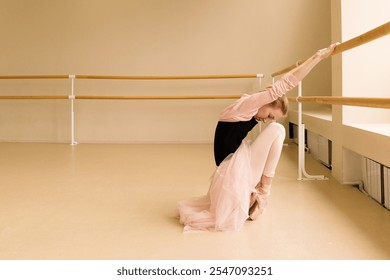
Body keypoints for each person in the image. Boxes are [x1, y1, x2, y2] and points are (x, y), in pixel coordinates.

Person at [178, 43, 339, 232]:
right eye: (270, 115)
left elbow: (283, 86)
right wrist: (319, 56)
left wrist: (313, 58)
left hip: (231, 171)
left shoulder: (248, 106)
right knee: (277, 131)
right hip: (232, 173)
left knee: (275, 130)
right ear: (268, 101)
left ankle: (255, 194)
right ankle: (263, 193)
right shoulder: (249, 104)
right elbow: (287, 83)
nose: (266, 120)